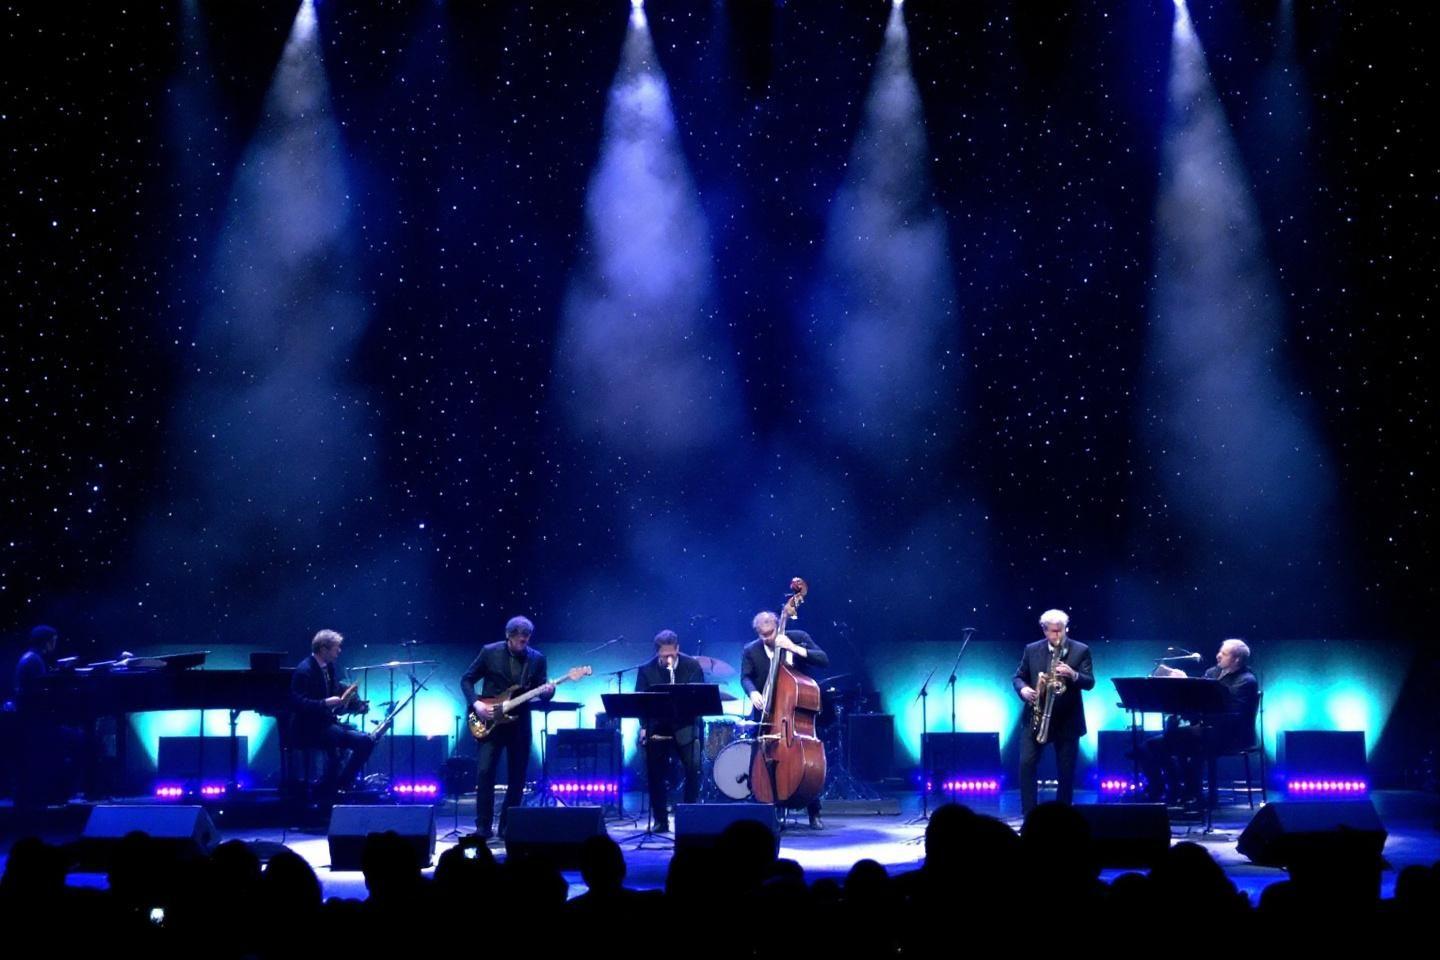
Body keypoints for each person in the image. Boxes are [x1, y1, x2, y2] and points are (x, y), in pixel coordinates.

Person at [460, 616, 554, 840]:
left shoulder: (537, 659)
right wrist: (477, 703)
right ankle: (483, 826)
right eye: (519, 639)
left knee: (517, 777)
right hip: (490, 721)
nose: (524, 643)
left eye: (527, 639)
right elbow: (466, 680)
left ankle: (507, 826)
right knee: (484, 773)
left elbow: (542, 688)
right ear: (508, 636)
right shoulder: (489, 652)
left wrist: (548, 692)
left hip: (519, 724)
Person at [1141, 638, 1260, 805]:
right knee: (1150, 746)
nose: (1218, 656)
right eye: (1220, 651)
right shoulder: (1212, 672)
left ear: (1237, 659)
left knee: (1182, 744)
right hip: (1204, 731)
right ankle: (1171, 787)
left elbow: (1234, 716)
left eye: (1224, 654)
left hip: (1230, 737)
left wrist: (1201, 725)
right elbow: (1196, 699)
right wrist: (1182, 684)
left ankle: (1193, 793)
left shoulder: (1246, 681)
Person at [740, 610, 830, 828]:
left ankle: (814, 811)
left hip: (795, 717)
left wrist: (794, 648)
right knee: (759, 759)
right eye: (763, 635)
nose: (767, 638)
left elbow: (823, 659)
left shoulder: (797, 636)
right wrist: (752, 692)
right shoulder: (751, 650)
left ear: (778, 626)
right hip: (768, 715)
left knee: (805, 763)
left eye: (770, 633)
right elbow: (745, 677)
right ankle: (768, 810)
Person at [1013, 609, 1094, 814]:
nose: (1057, 636)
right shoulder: (1031, 649)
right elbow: (1018, 676)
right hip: (1036, 717)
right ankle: (1030, 816)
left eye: (1061, 631)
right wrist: (1023, 689)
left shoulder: (1080, 649)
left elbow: (1089, 682)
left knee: (1066, 772)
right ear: (1044, 630)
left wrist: (1073, 674)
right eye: (1053, 631)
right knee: (1026, 765)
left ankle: (1062, 819)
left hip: (1067, 721)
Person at [635, 629, 705, 832]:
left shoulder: (691, 665)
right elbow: (641, 701)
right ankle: (661, 821)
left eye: (671, 654)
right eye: (663, 655)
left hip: (685, 726)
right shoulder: (646, 670)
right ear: (657, 653)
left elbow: (698, 696)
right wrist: (644, 727)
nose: (668, 658)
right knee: (655, 775)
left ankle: (689, 818)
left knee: (692, 770)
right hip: (658, 727)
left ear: (678, 649)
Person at [289, 629, 373, 795]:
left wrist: (357, 704)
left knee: (366, 741)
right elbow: (297, 703)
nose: (339, 651)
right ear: (323, 649)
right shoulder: (304, 670)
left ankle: (341, 783)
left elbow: (336, 688)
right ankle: (327, 790)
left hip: (326, 724)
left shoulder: (328, 667)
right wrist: (324, 703)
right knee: (335, 735)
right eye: (336, 648)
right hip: (308, 728)